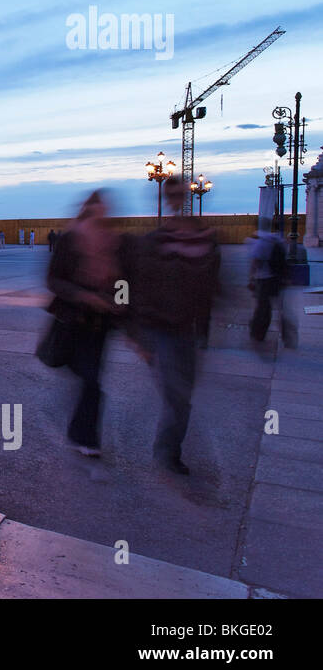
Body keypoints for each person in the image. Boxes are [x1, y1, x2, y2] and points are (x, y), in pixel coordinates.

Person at [121, 177, 220, 476]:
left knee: (182, 398)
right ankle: (167, 452)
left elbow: (213, 287)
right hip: (156, 328)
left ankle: (168, 449)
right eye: (172, 192)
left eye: (181, 192)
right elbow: (126, 283)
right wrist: (133, 330)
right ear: (165, 196)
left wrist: (205, 329)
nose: (177, 198)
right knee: (177, 396)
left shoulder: (204, 239)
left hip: (186, 330)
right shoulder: (153, 241)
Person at [46, 191, 122, 456]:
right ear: (90, 209)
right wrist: (82, 295)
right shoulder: (71, 239)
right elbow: (53, 279)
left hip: (101, 321)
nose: (104, 212)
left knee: (91, 378)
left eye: (107, 208)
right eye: (100, 207)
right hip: (73, 317)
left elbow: (123, 281)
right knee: (89, 377)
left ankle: (84, 435)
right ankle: (84, 435)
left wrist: (119, 302)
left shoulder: (113, 242)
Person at [247, 227, 294, 348]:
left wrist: (251, 278)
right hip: (277, 279)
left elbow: (255, 262)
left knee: (263, 308)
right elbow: (284, 261)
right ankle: (287, 336)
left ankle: (258, 334)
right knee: (280, 309)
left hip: (264, 279)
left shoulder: (260, 243)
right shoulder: (278, 240)